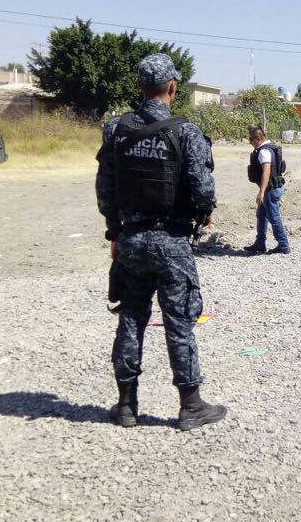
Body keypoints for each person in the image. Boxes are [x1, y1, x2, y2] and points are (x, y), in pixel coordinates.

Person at [95, 53, 227, 431]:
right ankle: (190, 406)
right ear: (173, 86)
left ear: (139, 87)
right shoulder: (186, 131)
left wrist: (115, 229)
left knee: (131, 320)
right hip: (172, 242)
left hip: (132, 240)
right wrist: (204, 214)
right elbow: (202, 190)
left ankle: (125, 406)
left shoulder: (115, 129)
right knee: (179, 323)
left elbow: (105, 187)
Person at [244, 126, 290, 254]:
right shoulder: (271, 147)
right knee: (261, 215)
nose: (250, 143)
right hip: (274, 187)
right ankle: (260, 243)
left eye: (251, 140)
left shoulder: (264, 151)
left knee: (273, 217)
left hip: (270, 190)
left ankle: (283, 245)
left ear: (258, 139)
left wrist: (261, 192)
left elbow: (266, 170)